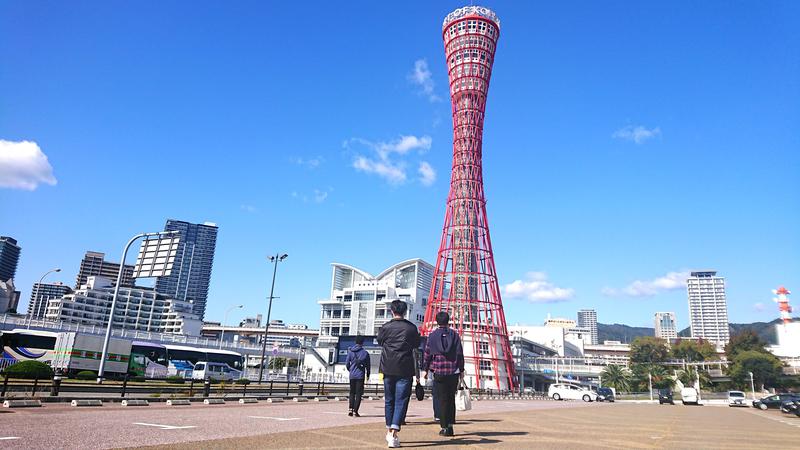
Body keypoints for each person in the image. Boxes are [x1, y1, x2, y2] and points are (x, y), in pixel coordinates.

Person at [377, 300, 420, 448]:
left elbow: (380, 342)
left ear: (391, 311)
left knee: (389, 399)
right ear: (405, 311)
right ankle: (394, 432)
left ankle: (390, 430)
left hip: (388, 367)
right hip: (405, 368)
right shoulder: (411, 328)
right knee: (401, 400)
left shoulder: (385, 327)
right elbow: (416, 345)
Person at [421, 311, 464, 437]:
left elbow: (427, 354)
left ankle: (444, 427)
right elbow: (459, 354)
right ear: (448, 320)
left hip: (439, 371)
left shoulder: (432, 336)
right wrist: (461, 370)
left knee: (442, 399)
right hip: (453, 372)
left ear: (436, 321)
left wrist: (425, 369)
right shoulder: (455, 335)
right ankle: (450, 425)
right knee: (451, 399)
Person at [345, 335, 370, 417]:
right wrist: (368, 374)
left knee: (352, 392)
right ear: (362, 342)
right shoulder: (365, 353)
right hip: (360, 375)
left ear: (355, 341)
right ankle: (356, 411)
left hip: (352, 375)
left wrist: (350, 370)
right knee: (359, 393)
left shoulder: (350, 352)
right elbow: (368, 365)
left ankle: (350, 409)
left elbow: (347, 364)